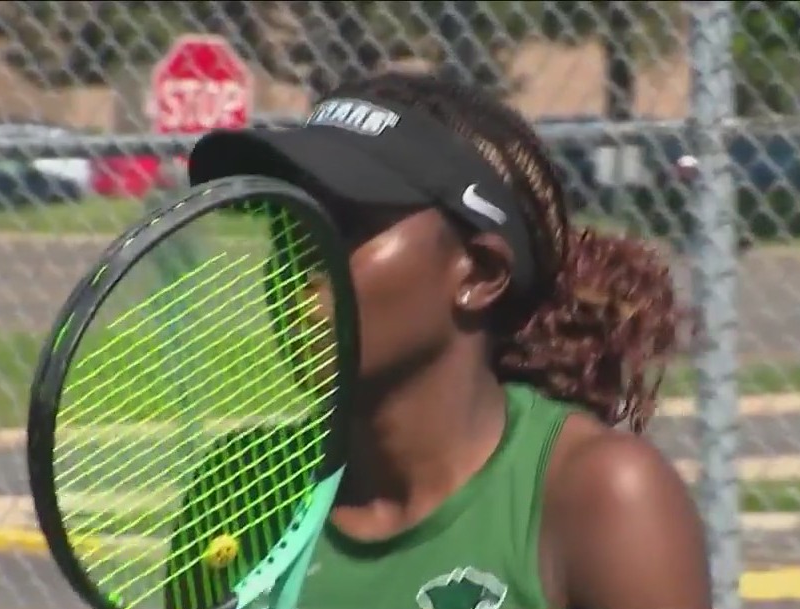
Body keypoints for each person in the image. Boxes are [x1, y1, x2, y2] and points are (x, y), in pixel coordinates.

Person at [186, 71, 711, 609]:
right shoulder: (237, 490)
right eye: (287, 226)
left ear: (479, 273)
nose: (294, 267)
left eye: (341, 227)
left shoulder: (603, 496)